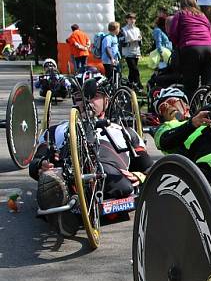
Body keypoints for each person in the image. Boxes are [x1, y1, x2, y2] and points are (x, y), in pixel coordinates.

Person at [30, 80, 153, 235]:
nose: (87, 101)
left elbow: (148, 166)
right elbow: (34, 165)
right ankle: (64, 212)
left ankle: (67, 214)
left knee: (122, 185)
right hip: (68, 176)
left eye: (94, 96)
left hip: (109, 176)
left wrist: (141, 175)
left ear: (106, 101)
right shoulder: (57, 131)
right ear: (75, 102)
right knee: (50, 180)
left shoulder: (125, 131)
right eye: (80, 98)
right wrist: (42, 165)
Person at [167, 0, 211, 102]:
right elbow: (209, 31)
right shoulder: (203, 15)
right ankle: (210, 109)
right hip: (210, 48)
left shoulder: (180, 14)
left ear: (181, 5)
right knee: (208, 85)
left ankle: (192, 112)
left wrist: (178, 46)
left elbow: (173, 33)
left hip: (191, 48)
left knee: (190, 85)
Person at [120, 12, 143, 90]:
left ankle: (130, 85)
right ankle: (139, 85)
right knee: (135, 69)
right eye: (130, 19)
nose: (132, 20)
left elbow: (140, 42)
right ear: (127, 20)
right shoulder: (123, 30)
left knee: (132, 71)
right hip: (128, 53)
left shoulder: (137, 29)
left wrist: (140, 40)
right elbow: (121, 42)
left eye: (133, 19)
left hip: (136, 52)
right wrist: (130, 42)